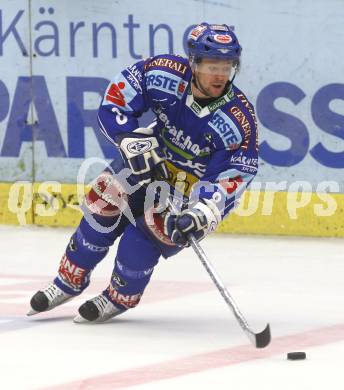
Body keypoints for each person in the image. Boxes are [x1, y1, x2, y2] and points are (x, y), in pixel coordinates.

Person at [27, 22, 258, 323]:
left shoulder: (238, 120)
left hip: (189, 190)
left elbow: (231, 177)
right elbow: (116, 101)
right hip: (149, 159)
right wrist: (131, 140)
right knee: (104, 199)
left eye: (227, 66)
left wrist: (200, 213)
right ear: (193, 62)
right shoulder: (163, 72)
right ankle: (68, 281)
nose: (219, 75)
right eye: (212, 65)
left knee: (147, 235)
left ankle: (118, 297)